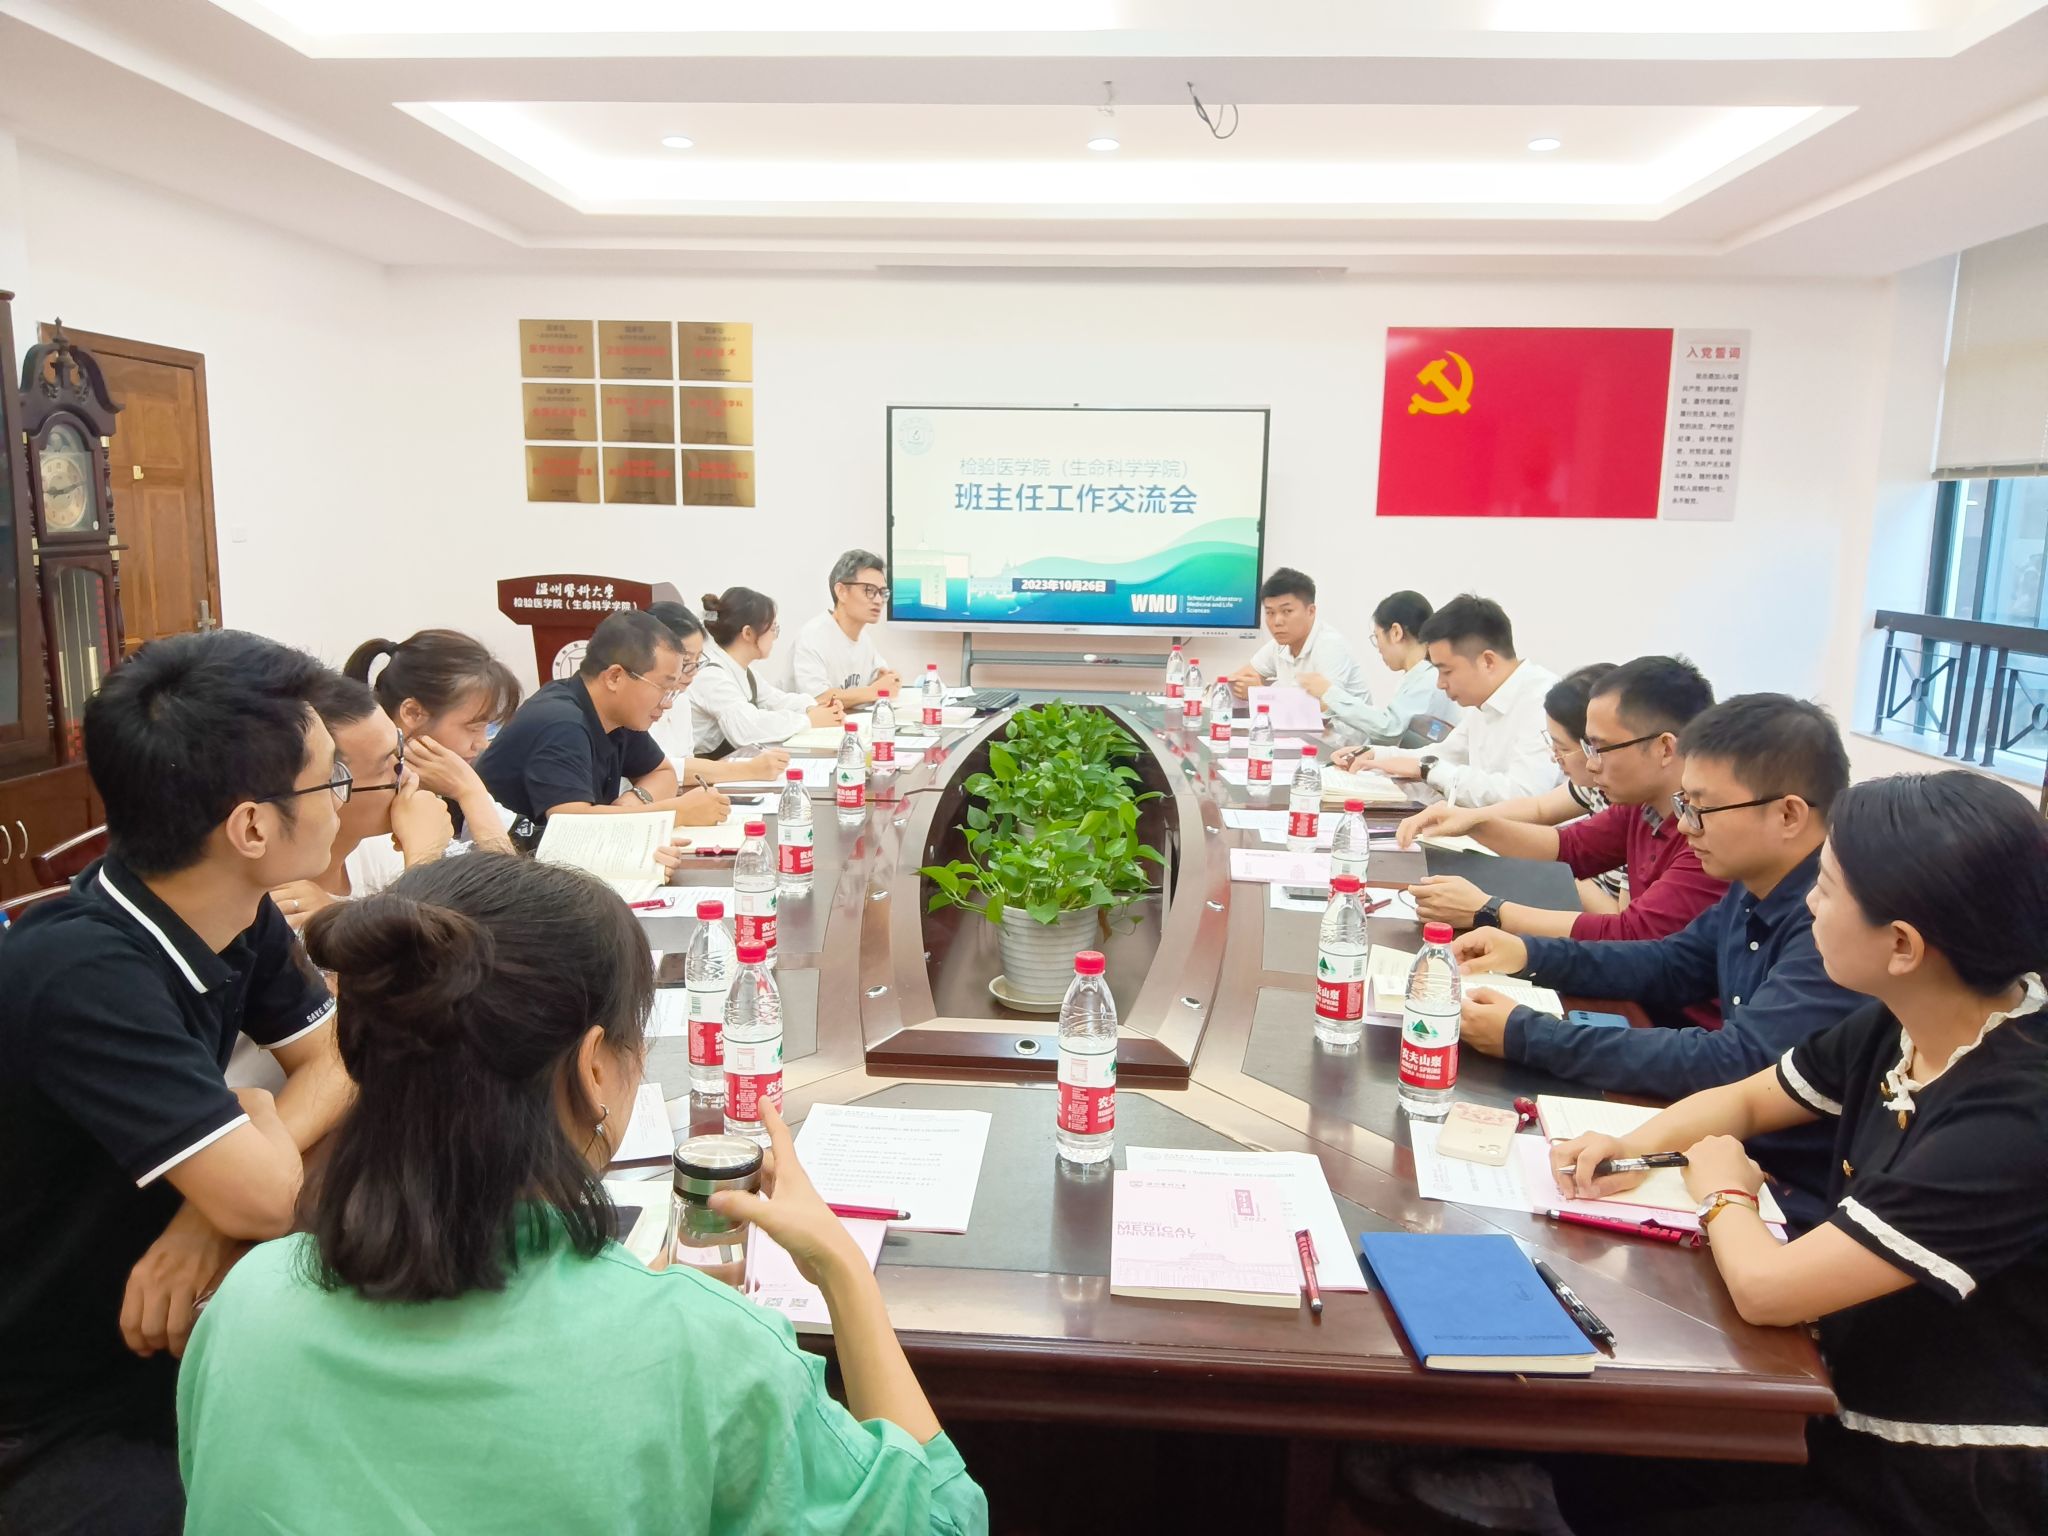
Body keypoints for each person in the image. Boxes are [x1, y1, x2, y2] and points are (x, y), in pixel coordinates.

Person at [176, 854, 987, 1535]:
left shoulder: (244, 1308)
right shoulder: (704, 1352)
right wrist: (840, 1265)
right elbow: (945, 1522)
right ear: (594, 1065)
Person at [1545, 771, 2048, 1536]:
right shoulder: (1911, 1017)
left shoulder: (2013, 1114)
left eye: (1829, 888)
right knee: (1602, 1452)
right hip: (1843, 1392)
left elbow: (1768, 1291)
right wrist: (1629, 1147)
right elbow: (1749, 1099)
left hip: (1947, 1476)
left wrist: (1725, 1191)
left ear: (1903, 945)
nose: (1809, 902)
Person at [0, 631, 354, 1536]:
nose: (343, 799)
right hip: (45, 1409)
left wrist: (205, 1211)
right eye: (332, 779)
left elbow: (340, 1057)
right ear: (252, 827)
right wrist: (243, 1146)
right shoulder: (80, 969)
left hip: (162, 1335)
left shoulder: (226, 909)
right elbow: (267, 1198)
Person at [1452, 694, 1861, 1229]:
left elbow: (1734, 1061)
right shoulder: (1754, 883)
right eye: (1684, 805)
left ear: (1788, 814)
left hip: (1786, 1195)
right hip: (1722, 1150)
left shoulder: (1836, 927)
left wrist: (1528, 1034)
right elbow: (1669, 963)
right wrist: (1529, 953)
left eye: (1702, 809)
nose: (1685, 828)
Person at [1404, 658, 1728, 991]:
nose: (1591, 764)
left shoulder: (1708, 836)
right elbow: (1570, 848)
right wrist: (1475, 822)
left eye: (1601, 748)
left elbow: (1631, 934)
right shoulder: (1643, 805)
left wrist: (1489, 910)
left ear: (1665, 748)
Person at [476, 610, 728, 837]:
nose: (668, 702)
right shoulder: (561, 723)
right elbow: (571, 826)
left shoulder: (618, 714)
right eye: (663, 687)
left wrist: (632, 804)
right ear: (615, 677)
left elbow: (663, 773)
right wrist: (675, 813)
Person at [1335, 594, 1560, 808]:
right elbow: (1444, 754)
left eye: (1447, 671)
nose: (1440, 683)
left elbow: (1522, 795)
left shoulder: (1543, 701)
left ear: (1488, 662)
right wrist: (1375, 754)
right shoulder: (1484, 702)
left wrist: (1428, 770)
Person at [267, 673, 456, 926]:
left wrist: (473, 795)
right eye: (385, 766)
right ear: (329, 785)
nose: (409, 777)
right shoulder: (280, 900)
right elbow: (431, 943)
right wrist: (425, 855)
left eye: (399, 754)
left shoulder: (375, 846)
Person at [342, 628, 523, 862]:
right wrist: (470, 792)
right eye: (473, 728)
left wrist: (471, 792)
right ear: (412, 713)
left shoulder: (446, 783)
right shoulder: (368, 808)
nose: (482, 744)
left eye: (487, 728)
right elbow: (502, 882)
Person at [644, 601, 791, 787]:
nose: (694, 671)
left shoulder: (680, 700)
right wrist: (748, 770)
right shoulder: (638, 704)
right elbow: (656, 768)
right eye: (686, 661)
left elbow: (685, 764)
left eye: (698, 659)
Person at [689, 587, 844, 758]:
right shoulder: (711, 676)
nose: (774, 637)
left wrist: (812, 707)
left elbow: (775, 700)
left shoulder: (745, 672)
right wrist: (809, 720)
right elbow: (747, 728)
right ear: (748, 633)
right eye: (772, 629)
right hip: (707, 769)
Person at [1307, 589, 1456, 746]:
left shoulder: (1429, 679)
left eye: (1377, 637)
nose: (1378, 647)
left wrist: (1329, 693)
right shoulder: (1419, 677)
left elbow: (1389, 730)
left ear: (1396, 632)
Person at [1224, 567, 1369, 702]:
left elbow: (1325, 707)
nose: (1277, 621)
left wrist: (1260, 693)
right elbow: (1237, 679)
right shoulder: (1279, 645)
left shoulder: (1330, 645)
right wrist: (1237, 685)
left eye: (1287, 611)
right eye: (1270, 612)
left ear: (1310, 611)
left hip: (1340, 723)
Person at [790, 548, 902, 707]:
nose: (878, 600)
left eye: (883, 592)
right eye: (869, 590)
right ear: (841, 591)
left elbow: (882, 677)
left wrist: (889, 679)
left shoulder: (864, 639)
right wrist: (875, 691)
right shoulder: (813, 636)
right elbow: (819, 699)